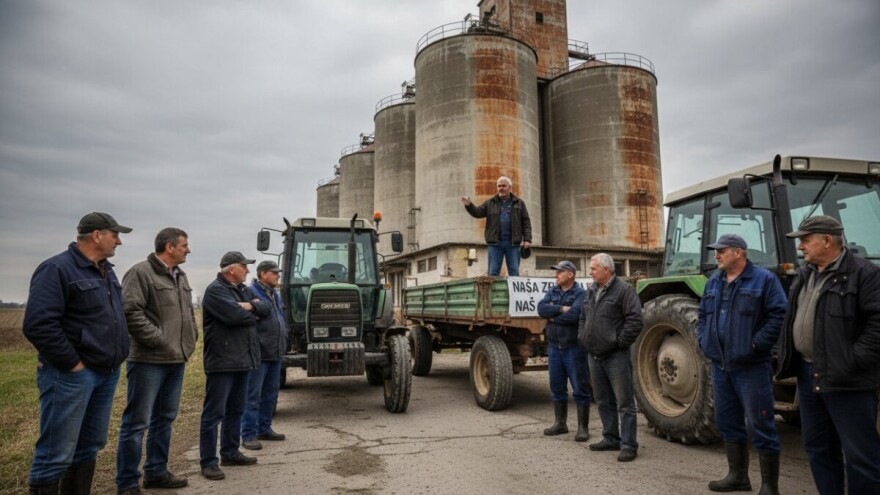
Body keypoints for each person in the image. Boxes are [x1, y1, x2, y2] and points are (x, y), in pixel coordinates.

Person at [23, 212, 132, 495]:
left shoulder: (106, 270)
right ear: (97, 235)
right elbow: (39, 324)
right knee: (55, 452)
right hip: (71, 376)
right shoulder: (57, 269)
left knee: (88, 447)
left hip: (106, 373)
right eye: (115, 234)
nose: (119, 241)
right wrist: (73, 364)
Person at [776, 216, 880, 494]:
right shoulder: (804, 275)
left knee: (860, 456)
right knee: (819, 449)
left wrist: (853, 361)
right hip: (809, 375)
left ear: (827, 240)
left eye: (805, 240)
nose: (800, 247)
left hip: (847, 378)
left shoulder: (865, 274)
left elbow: (877, 324)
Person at [698, 234, 786, 494]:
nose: (716, 256)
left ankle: (770, 486)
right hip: (720, 365)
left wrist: (757, 344)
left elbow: (778, 314)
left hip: (751, 367)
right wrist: (704, 340)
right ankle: (738, 476)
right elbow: (703, 314)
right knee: (727, 421)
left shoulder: (764, 280)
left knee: (761, 424)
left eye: (721, 251)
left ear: (738, 252)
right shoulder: (714, 282)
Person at [115, 228, 197, 494]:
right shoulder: (140, 273)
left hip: (176, 359)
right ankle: (127, 482)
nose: (189, 249)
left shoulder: (180, 276)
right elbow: (130, 312)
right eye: (185, 245)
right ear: (169, 246)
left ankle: (156, 472)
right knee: (137, 422)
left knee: (165, 419)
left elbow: (188, 315)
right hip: (149, 360)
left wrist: (190, 340)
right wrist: (161, 340)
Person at [199, 251, 271, 481]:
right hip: (222, 361)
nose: (248, 270)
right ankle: (209, 462)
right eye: (244, 266)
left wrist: (247, 306)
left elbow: (266, 309)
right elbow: (235, 317)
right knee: (214, 413)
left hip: (243, 360)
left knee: (235, 410)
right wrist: (252, 309)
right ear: (231, 269)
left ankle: (230, 452)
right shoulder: (216, 291)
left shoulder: (242, 290)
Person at [578, 253, 643, 462]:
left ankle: (629, 444)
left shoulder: (624, 291)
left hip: (616, 356)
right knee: (603, 400)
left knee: (624, 402)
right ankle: (611, 438)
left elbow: (635, 320)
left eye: (594, 268)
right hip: (594, 355)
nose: (590, 271)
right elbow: (583, 317)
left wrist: (618, 342)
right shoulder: (591, 291)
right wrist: (583, 337)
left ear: (606, 270)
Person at [537, 261, 590, 441]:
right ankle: (560, 423)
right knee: (557, 387)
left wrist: (553, 318)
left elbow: (575, 315)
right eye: (556, 271)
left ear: (570, 275)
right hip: (554, 348)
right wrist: (560, 309)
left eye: (560, 272)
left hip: (573, 349)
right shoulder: (553, 291)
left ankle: (583, 428)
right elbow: (541, 309)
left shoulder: (581, 293)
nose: (556, 275)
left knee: (580, 389)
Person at [241, 260, 289, 450]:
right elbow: (249, 318)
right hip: (259, 353)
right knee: (253, 396)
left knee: (270, 394)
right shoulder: (250, 292)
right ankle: (248, 434)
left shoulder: (275, 294)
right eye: (274, 272)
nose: (278, 275)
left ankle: (264, 428)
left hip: (275, 352)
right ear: (262, 274)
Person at [461, 175, 532, 276]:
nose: (501, 188)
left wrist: (527, 239)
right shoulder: (490, 203)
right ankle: (493, 292)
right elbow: (478, 212)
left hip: (513, 244)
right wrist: (469, 205)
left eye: (504, 186)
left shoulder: (519, 203)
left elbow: (526, 222)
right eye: (499, 186)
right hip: (495, 244)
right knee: (493, 273)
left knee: (514, 272)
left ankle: (512, 292)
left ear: (509, 187)